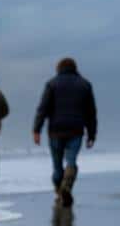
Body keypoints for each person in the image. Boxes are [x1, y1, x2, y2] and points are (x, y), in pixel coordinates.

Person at [32, 57, 97, 206]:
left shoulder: (52, 84)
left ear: (59, 68)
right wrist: (92, 134)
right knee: (71, 161)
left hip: (56, 130)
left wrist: (37, 130)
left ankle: (59, 191)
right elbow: (91, 113)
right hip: (76, 130)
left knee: (56, 165)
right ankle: (66, 188)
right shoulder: (85, 85)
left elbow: (43, 108)